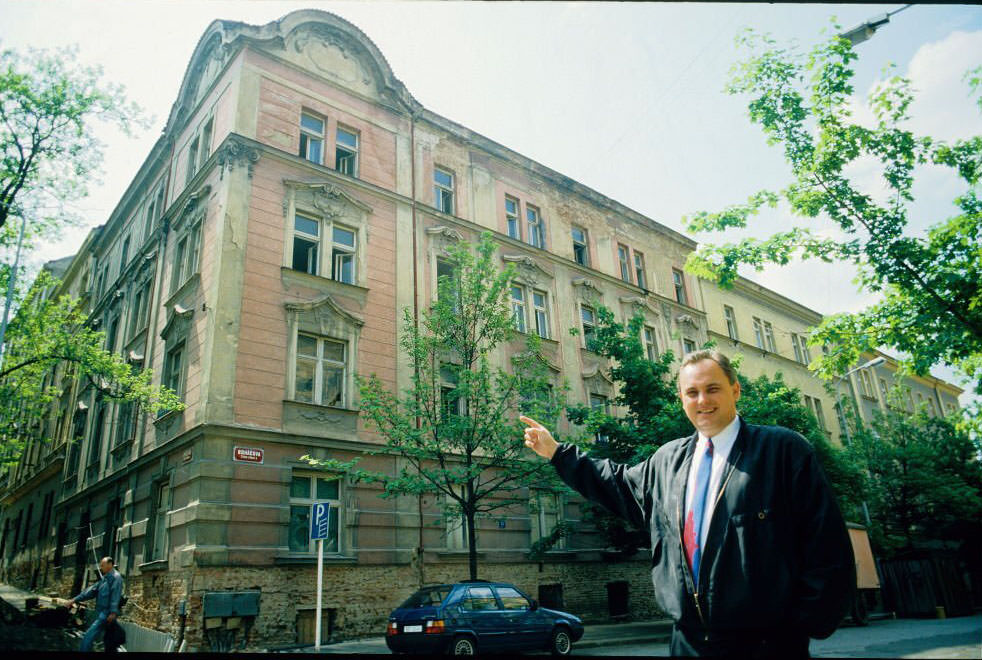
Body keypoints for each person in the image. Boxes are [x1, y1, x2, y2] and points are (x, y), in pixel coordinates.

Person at [521, 349, 855, 658]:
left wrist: (799, 625)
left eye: (713, 389)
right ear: (681, 399)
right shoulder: (668, 460)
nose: (702, 400)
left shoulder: (782, 450)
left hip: (767, 643)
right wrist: (557, 452)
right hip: (688, 642)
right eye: (692, 392)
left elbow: (827, 546)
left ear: (735, 391)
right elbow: (618, 484)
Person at [70, 556, 124, 652]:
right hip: (102, 613)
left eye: (102, 565)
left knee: (89, 636)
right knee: (110, 639)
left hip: (106, 613)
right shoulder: (105, 579)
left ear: (110, 565)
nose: (101, 567)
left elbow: (115, 596)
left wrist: (113, 612)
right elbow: (90, 591)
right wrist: (74, 600)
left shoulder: (116, 578)